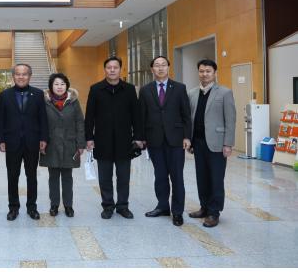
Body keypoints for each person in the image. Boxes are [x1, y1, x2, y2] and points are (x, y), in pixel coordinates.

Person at [84, 57, 142, 220]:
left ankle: (123, 206)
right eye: (109, 67)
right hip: (102, 140)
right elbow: (89, 116)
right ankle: (108, 205)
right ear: (105, 70)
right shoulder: (96, 89)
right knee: (105, 176)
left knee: (124, 176)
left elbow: (136, 115)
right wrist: (89, 137)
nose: (112, 70)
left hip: (125, 140)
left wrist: (138, 136)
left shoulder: (129, 89)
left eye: (115, 67)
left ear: (120, 70)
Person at [139, 55, 192, 226]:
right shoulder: (145, 90)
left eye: (163, 65)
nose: (160, 68)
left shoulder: (179, 88)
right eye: (157, 65)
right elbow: (142, 116)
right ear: (152, 69)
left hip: (175, 140)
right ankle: (162, 206)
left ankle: (177, 211)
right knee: (160, 176)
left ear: (168, 68)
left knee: (177, 176)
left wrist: (187, 136)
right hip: (154, 140)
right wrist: (140, 138)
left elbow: (186, 115)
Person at [188, 59, 236, 227]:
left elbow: (230, 120)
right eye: (201, 71)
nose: (204, 74)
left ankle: (214, 212)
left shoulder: (224, 92)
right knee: (201, 177)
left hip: (217, 143)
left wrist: (228, 144)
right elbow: (189, 118)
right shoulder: (192, 93)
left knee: (216, 178)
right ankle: (204, 207)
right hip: (198, 142)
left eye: (208, 71)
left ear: (214, 73)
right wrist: (189, 139)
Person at [0, 63, 48, 221]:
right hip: (12, 142)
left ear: (29, 76)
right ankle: (13, 208)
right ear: (13, 76)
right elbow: (1, 120)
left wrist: (44, 138)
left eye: (24, 74)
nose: (21, 76)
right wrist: (1, 140)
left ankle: (32, 207)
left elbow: (43, 119)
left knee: (31, 176)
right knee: (12, 176)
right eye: (18, 74)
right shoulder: (5, 95)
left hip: (32, 142)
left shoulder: (38, 94)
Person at [39, 73, 85, 218]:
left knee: (67, 176)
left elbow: (79, 123)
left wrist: (81, 143)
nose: (59, 87)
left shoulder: (73, 101)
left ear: (67, 86)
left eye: (62, 84)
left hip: (69, 144)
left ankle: (68, 205)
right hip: (51, 144)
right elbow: (40, 123)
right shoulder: (44, 102)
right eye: (56, 84)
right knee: (53, 176)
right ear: (51, 86)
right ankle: (54, 205)